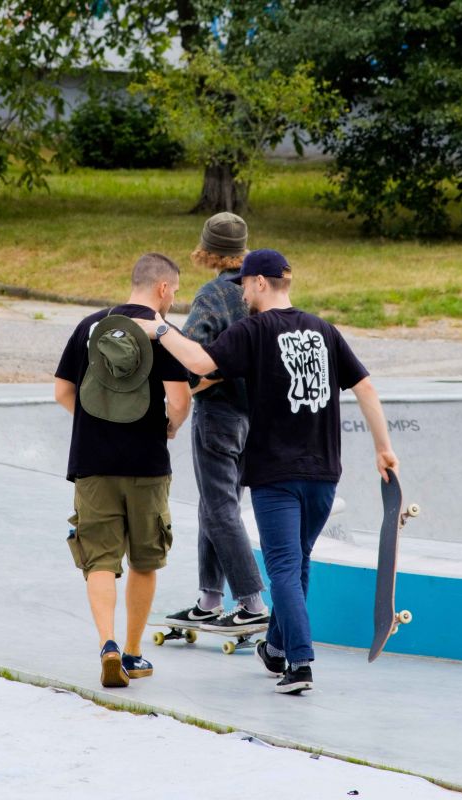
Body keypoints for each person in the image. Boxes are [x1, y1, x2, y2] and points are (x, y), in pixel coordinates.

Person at [134, 249, 399, 695]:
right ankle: (277, 649)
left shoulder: (252, 331)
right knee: (297, 563)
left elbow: (200, 363)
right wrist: (383, 448)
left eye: (243, 286)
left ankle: (300, 663)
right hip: (324, 474)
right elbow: (365, 386)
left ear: (259, 282)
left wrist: (160, 330)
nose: (240, 294)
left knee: (281, 567)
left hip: (277, 474)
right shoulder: (324, 329)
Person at [55, 253, 191, 688]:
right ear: (163, 289)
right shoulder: (161, 333)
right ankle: (133, 653)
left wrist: (92, 425)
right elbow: (181, 400)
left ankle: (108, 645)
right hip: (146, 464)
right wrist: (169, 426)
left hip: (92, 463)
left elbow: (62, 390)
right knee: (145, 560)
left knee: (99, 559)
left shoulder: (90, 327)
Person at [165, 213, 269, 633]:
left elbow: (187, 354)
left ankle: (252, 602)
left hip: (220, 415)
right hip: (257, 417)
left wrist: (190, 388)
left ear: (207, 251)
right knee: (216, 504)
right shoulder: (260, 291)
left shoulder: (212, 295)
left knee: (220, 508)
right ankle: (209, 599)